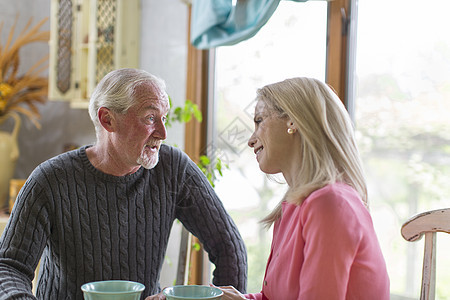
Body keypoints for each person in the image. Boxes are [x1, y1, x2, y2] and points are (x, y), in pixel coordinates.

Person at [0, 68, 247, 299]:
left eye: (164, 117)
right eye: (150, 117)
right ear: (108, 120)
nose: (163, 132)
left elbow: (229, 248)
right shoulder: (50, 179)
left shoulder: (174, 169)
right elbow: (9, 267)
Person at [216, 77, 390, 299]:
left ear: (292, 121)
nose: (251, 140)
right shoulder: (293, 207)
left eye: (259, 121)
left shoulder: (331, 204)